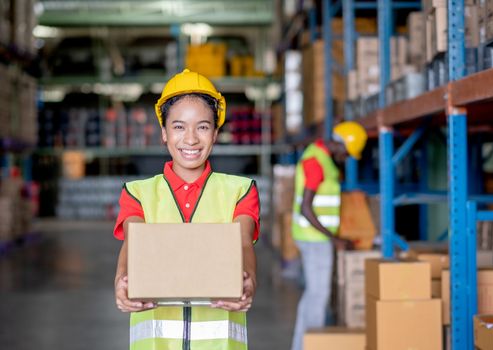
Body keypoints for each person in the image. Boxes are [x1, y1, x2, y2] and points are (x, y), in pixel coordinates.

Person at [113, 69, 260, 350]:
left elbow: (243, 243)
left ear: (215, 134)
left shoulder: (239, 190)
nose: (191, 139)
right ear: (164, 134)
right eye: (179, 127)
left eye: (202, 127)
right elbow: (134, 243)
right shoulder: (138, 193)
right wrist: (121, 281)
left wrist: (249, 280)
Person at [290, 121, 367, 350]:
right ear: (339, 145)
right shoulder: (316, 162)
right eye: (347, 153)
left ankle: (301, 345)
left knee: (312, 295)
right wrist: (334, 239)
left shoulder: (320, 156)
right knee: (318, 297)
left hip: (313, 237)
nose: (346, 158)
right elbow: (306, 207)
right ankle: (310, 345)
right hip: (314, 239)